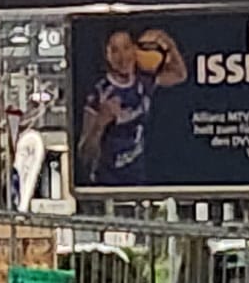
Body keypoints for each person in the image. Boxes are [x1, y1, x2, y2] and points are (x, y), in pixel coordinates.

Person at [77, 28, 186, 188]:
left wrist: (168, 43)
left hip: (138, 182)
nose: (122, 57)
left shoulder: (143, 81)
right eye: (115, 50)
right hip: (108, 186)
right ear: (107, 55)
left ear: (135, 49)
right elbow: (84, 155)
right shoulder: (100, 94)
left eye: (126, 48)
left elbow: (179, 74)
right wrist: (100, 124)